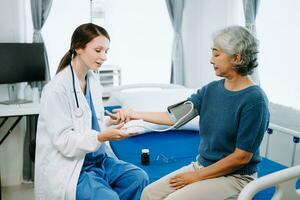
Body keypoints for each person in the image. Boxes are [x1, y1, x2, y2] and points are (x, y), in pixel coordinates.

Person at [110, 26, 270, 200]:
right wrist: (134, 114)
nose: (210, 60)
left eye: (216, 54)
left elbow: (241, 158)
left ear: (236, 58)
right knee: (149, 193)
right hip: (203, 166)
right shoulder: (210, 90)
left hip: (235, 176)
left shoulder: (254, 99)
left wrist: (196, 177)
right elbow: (173, 117)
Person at [34, 23, 148, 200]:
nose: (104, 57)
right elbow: (64, 141)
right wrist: (102, 137)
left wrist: (111, 122)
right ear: (78, 48)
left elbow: (91, 123)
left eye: (106, 51)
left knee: (138, 178)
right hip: (74, 166)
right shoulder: (56, 89)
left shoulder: (93, 82)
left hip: (100, 160)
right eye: (98, 50)